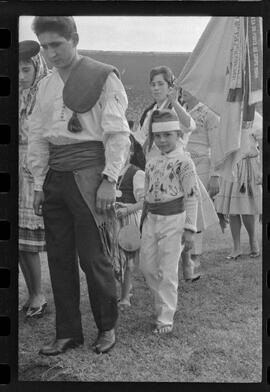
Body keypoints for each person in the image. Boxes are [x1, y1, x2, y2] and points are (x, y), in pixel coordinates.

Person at [27, 16, 130, 355]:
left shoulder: (103, 77)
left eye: (56, 44)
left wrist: (110, 179)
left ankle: (107, 327)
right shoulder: (44, 86)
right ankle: (68, 332)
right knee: (57, 258)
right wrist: (40, 183)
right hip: (55, 177)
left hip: (90, 176)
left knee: (94, 257)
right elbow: (39, 136)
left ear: (75, 39)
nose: (50, 52)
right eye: (44, 46)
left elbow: (117, 135)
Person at [139, 110, 199, 334]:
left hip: (174, 220)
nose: (162, 140)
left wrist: (190, 228)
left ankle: (165, 318)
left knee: (167, 269)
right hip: (151, 219)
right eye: (158, 136)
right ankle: (161, 305)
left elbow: (192, 195)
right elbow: (147, 192)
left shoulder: (184, 162)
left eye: (167, 135)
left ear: (178, 134)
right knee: (147, 266)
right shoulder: (152, 162)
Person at [19, 40, 50, 318]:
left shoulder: (44, 94)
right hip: (16, 170)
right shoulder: (17, 94)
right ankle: (31, 293)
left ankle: (39, 295)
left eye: (26, 69)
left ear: (36, 67)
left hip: (34, 171)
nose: (20, 75)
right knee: (17, 241)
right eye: (17, 69)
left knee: (28, 241)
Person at [180, 89, 220, 276]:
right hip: (181, 165)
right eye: (182, 89)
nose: (184, 92)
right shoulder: (178, 110)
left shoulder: (208, 113)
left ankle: (195, 256)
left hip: (202, 165)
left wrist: (214, 175)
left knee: (196, 209)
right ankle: (183, 256)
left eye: (188, 88)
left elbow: (216, 145)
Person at [215, 111, 262, 259]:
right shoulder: (226, 115)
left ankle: (253, 240)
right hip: (231, 165)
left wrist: (261, 170)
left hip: (249, 165)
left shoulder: (255, 118)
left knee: (246, 208)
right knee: (232, 209)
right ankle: (236, 247)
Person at [113, 134, 145, 307]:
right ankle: (123, 289)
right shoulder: (108, 172)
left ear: (131, 151)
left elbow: (144, 201)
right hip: (112, 221)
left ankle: (125, 297)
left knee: (128, 261)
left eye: (123, 149)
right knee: (113, 258)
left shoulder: (137, 173)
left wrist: (127, 209)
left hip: (129, 222)